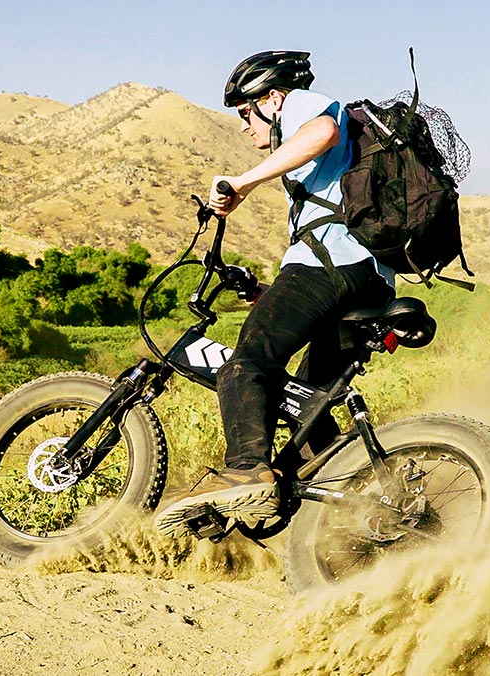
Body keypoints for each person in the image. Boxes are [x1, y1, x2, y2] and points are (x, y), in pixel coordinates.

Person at [154, 50, 394, 538]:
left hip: (330, 262)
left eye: (246, 112)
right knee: (310, 412)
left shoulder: (304, 104)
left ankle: (246, 468)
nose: (245, 126)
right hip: (367, 277)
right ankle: (363, 522)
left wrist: (242, 182)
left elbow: (322, 131)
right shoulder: (312, 161)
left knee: (246, 362)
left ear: (274, 97)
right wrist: (266, 290)